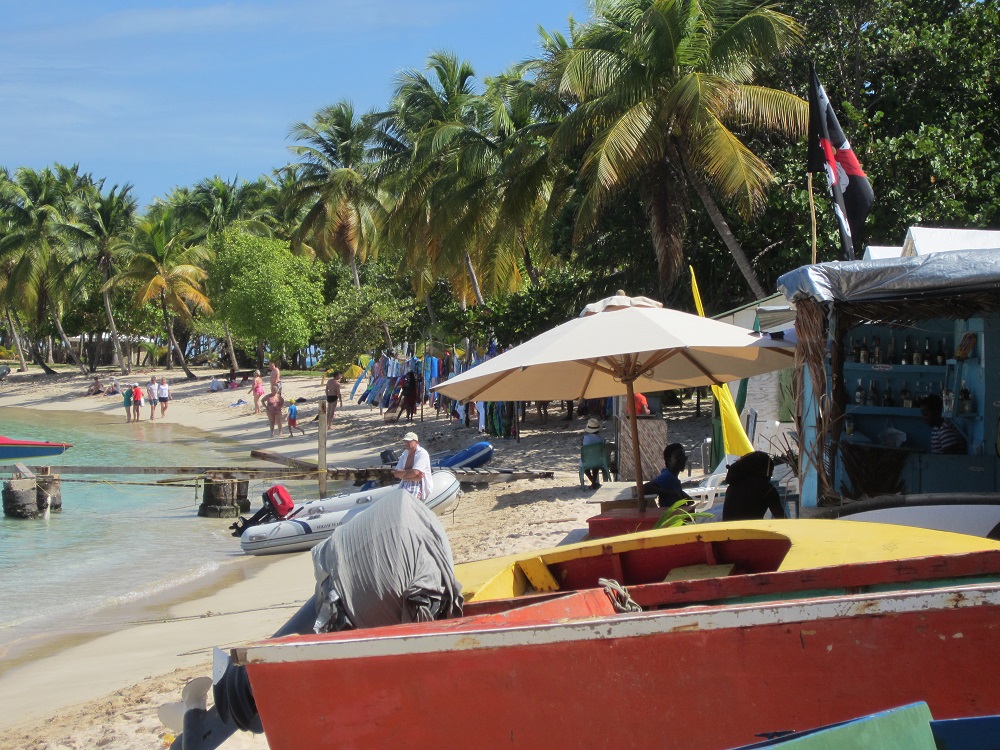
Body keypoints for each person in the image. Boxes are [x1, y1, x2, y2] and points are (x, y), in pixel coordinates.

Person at [721, 451, 786, 521]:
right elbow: (782, 519)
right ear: (763, 469)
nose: (770, 475)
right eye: (770, 470)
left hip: (728, 530)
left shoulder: (733, 486)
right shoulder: (766, 488)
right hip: (750, 530)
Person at [643, 443, 692, 509]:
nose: (683, 461)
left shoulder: (672, 477)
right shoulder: (667, 477)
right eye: (678, 458)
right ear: (669, 460)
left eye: (684, 458)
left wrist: (681, 493)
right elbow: (644, 488)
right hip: (671, 517)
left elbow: (689, 500)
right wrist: (671, 493)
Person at [393, 431, 434, 502]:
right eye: (405, 441)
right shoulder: (404, 454)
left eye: (409, 442)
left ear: (416, 442)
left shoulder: (422, 454)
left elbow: (414, 472)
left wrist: (404, 475)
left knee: (409, 502)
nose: (406, 444)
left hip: (418, 485)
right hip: (404, 483)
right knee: (397, 501)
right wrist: (413, 475)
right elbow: (396, 473)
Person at [581, 417, 606, 490]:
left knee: (583, 466)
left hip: (587, 460)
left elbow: (583, 447)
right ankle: (594, 482)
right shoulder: (601, 439)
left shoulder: (585, 438)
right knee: (595, 466)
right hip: (599, 460)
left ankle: (593, 481)